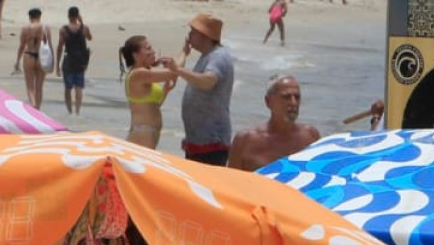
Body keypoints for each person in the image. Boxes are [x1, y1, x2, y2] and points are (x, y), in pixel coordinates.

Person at [170, 13, 235, 165]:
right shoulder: (208, 55)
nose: (189, 35)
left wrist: (178, 71)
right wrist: (184, 52)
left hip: (212, 142)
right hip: (198, 141)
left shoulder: (218, 56)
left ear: (204, 35)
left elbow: (208, 81)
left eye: (193, 32)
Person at [228, 75, 323, 172]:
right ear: (268, 101)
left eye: (297, 97)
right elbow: (231, 182)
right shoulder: (245, 141)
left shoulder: (311, 136)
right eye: (286, 97)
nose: (293, 103)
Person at [119, 35, 178, 149]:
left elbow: (155, 104)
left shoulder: (145, 72)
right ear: (135, 55)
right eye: (148, 48)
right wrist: (184, 52)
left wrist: (165, 90)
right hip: (143, 132)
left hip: (148, 132)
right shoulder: (138, 74)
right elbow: (174, 73)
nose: (153, 51)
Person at [16, 7, 54, 112]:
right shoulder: (46, 27)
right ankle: (38, 109)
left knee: (30, 86)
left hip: (29, 55)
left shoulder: (25, 28)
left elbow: (22, 46)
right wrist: (52, 62)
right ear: (39, 16)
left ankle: (33, 105)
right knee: (39, 86)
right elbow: (49, 45)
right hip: (41, 57)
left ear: (30, 17)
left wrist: (17, 61)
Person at [58, 6, 92, 115]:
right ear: (78, 15)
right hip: (81, 60)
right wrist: (82, 22)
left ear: (68, 16)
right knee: (79, 87)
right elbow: (90, 38)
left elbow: (60, 47)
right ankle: (77, 111)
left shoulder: (64, 30)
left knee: (68, 88)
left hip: (68, 59)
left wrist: (57, 65)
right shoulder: (84, 28)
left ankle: (69, 111)